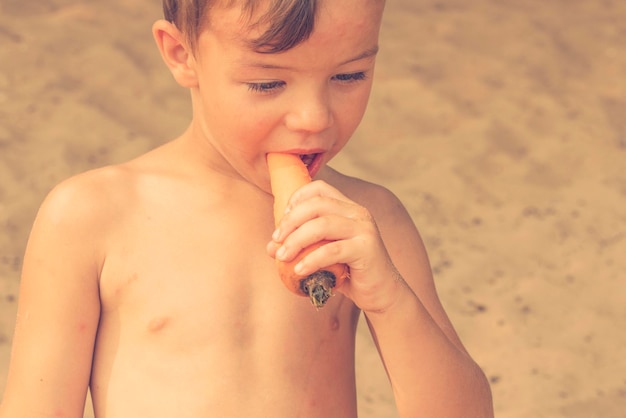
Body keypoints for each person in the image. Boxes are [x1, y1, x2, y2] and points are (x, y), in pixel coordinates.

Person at [0, 0, 493, 416]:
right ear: (181, 54)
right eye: (267, 84)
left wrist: (390, 299)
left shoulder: (369, 220)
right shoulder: (95, 215)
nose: (313, 118)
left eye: (350, 74)